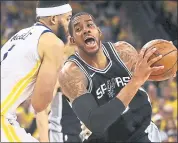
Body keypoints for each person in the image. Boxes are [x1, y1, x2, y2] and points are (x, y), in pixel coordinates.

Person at [58, 12, 164, 142]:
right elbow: (96, 123)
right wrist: (135, 81)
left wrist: (165, 66)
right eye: (78, 29)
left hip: (142, 133)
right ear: (72, 40)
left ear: (99, 31)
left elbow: (147, 73)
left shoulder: (123, 52)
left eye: (89, 25)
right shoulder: (71, 73)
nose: (86, 30)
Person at [1, 1, 72, 142]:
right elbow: (39, 105)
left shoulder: (20, 35)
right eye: (67, 19)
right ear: (53, 19)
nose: (69, 26)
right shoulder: (53, 44)